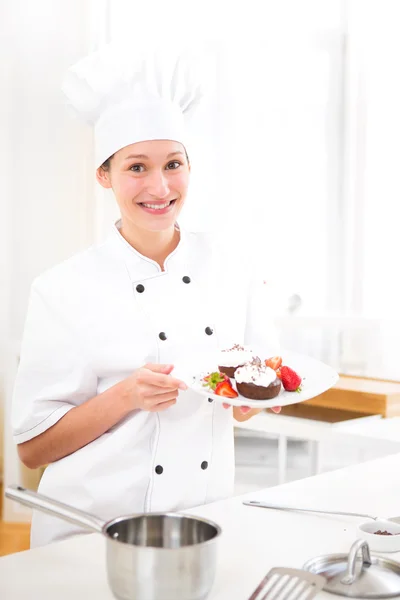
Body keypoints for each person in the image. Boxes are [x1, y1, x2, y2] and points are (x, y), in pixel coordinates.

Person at [11, 43, 281, 547]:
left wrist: (254, 402)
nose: (159, 186)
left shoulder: (231, 267)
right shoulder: (62, 289)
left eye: (173, 163)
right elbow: (33, 449)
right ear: (104, 176)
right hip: (90, 535)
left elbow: (254, 387)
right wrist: (126, 396)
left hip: (201, 528)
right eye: (136, 167)